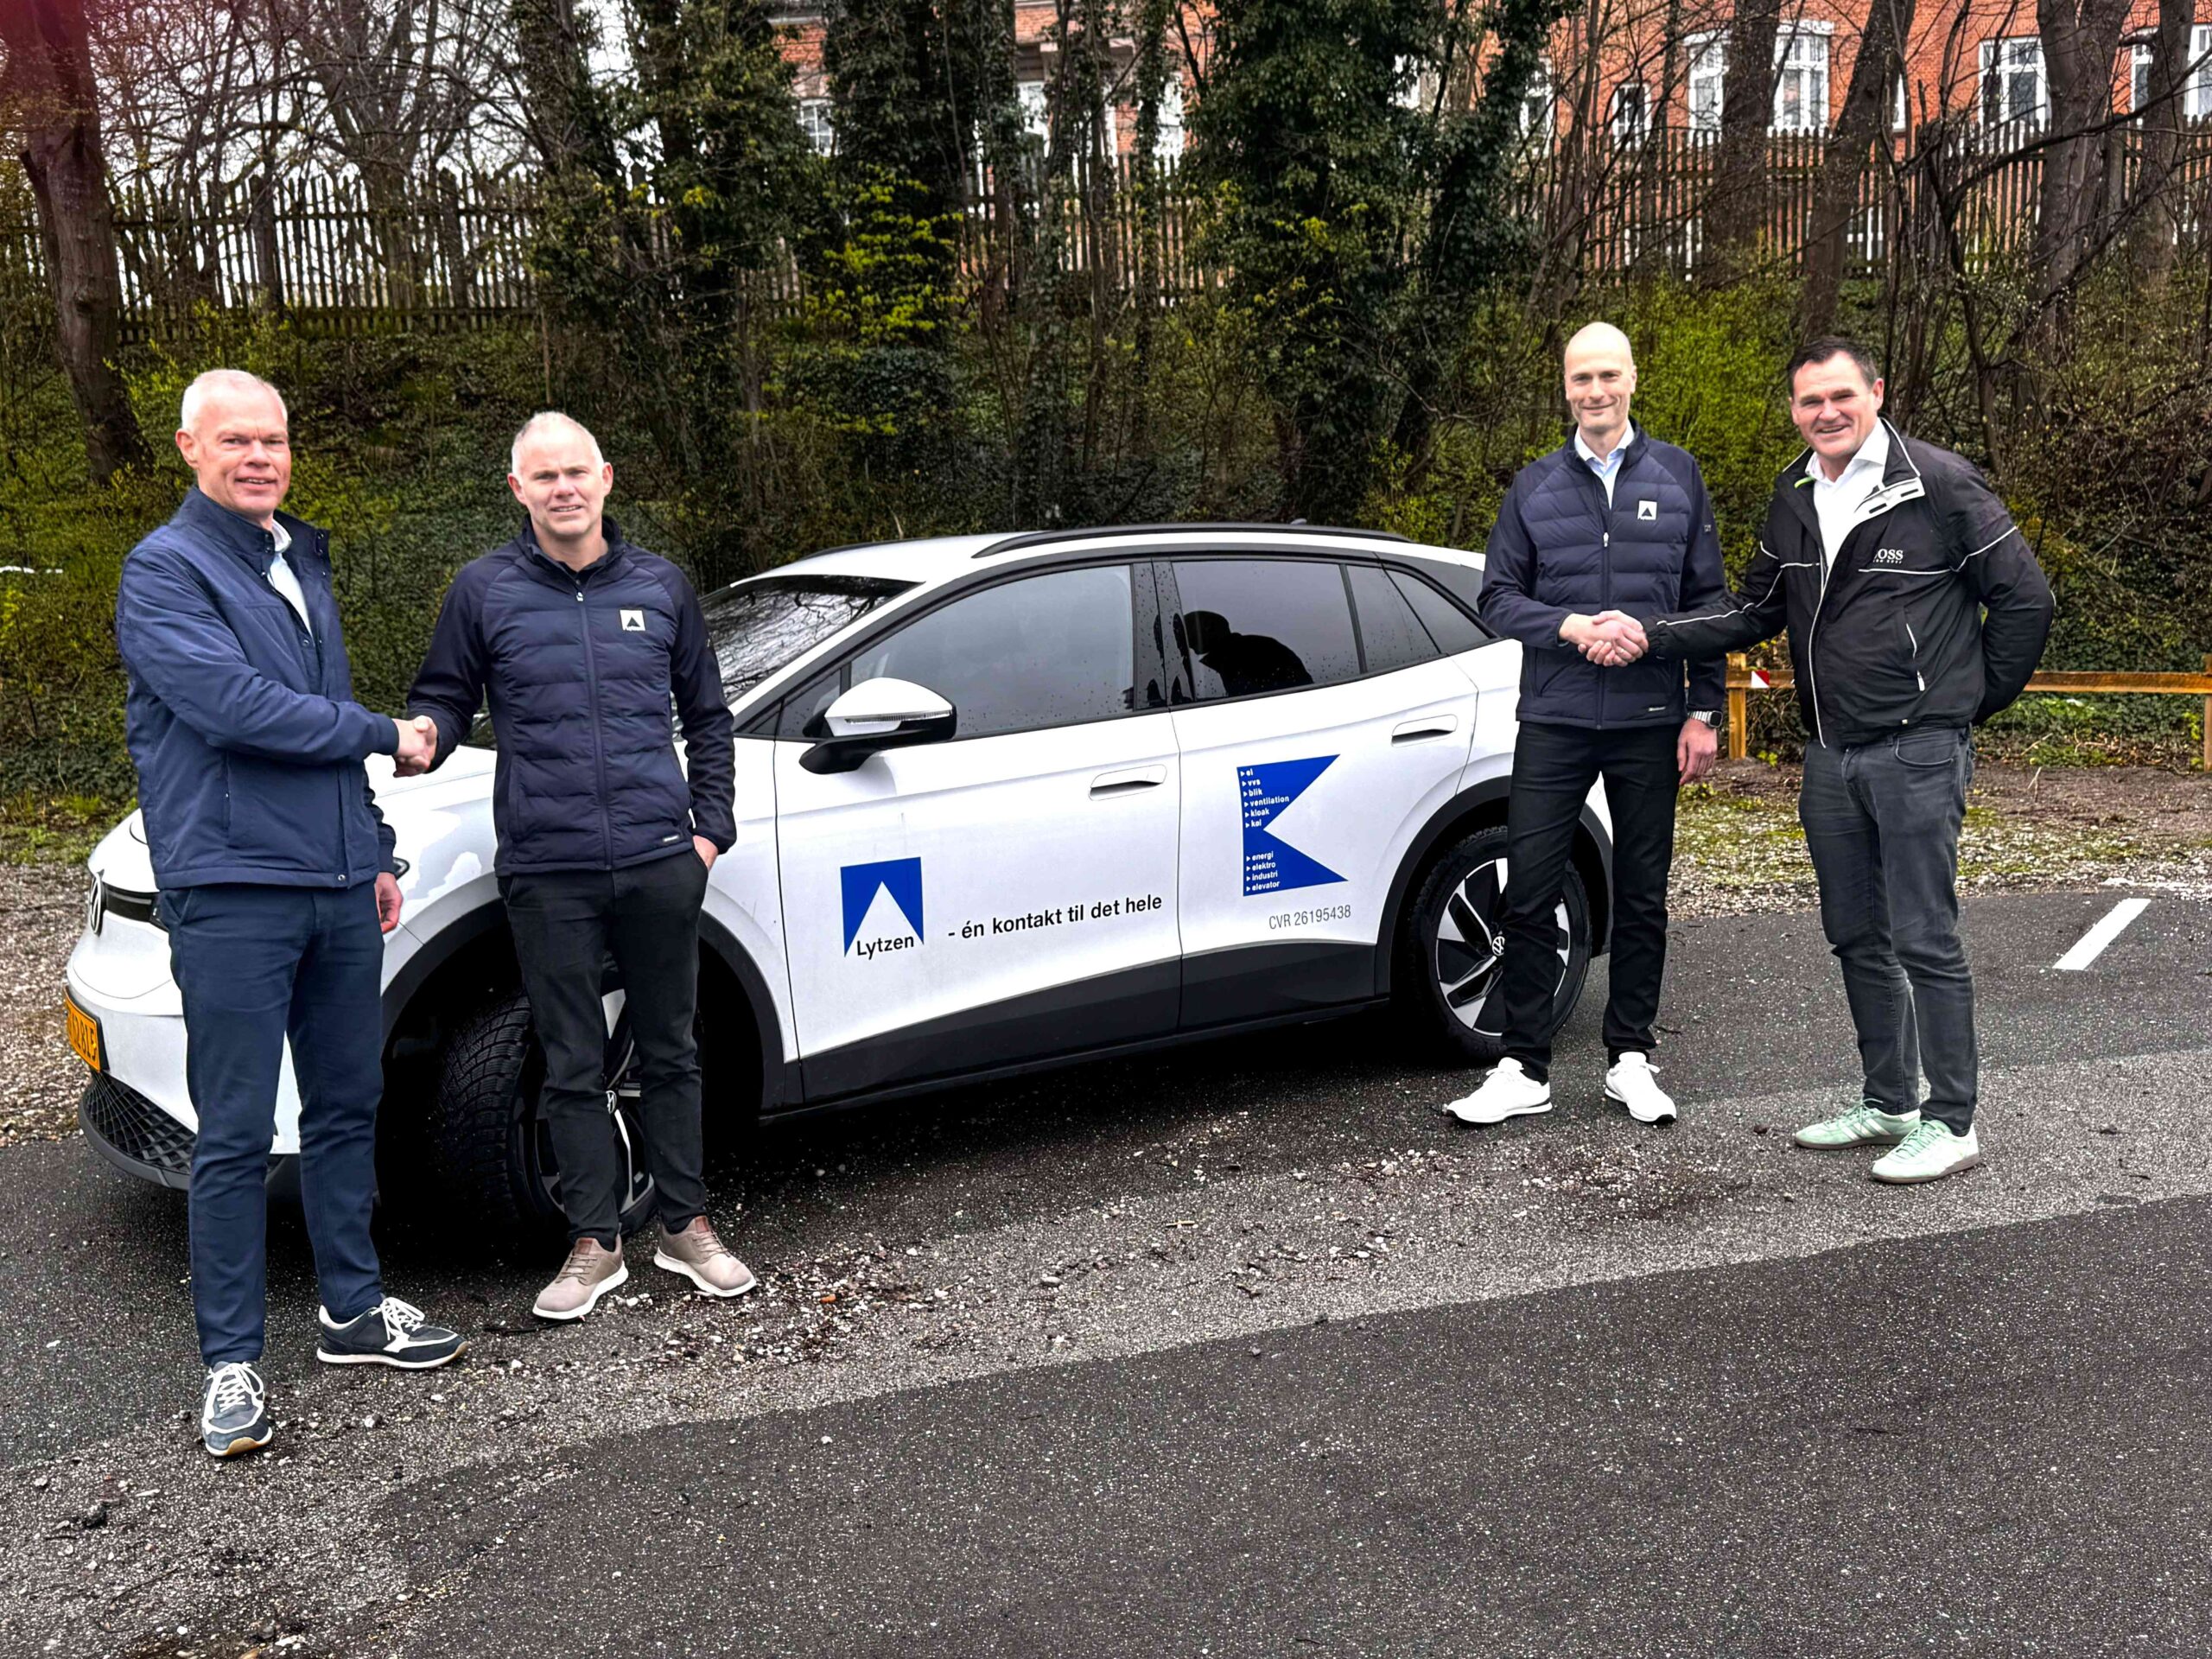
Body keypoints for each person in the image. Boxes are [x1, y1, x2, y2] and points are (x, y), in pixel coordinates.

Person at [1601, 336, 2054, 1184]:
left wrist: (1964, 702)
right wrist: (1650, 632)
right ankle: (1890, 1102)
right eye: (1810, 400)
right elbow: (1753, 611)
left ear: (1875, 394)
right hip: (1831, 754)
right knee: (1855, 935)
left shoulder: (1938, 484)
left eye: (1842, 395)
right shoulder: (1796, 492)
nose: (1827, 412)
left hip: (1918, 749)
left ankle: (1952, 1121)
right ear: (1794, 411)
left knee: (1924, 937)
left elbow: (2026, 600)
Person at [116, 369, 464, 1460]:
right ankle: (231, 1362)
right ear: (190, 449)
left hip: (335, 886)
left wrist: (372, 848)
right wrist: (384, 733)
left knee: (346, 1107)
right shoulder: (165, 569)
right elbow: (237, 710)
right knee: (232, 1130)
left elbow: (314, 726)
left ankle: (352, 1312)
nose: (259, 457)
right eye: (235, 441)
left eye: (272, 439)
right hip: (232, 890)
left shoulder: (295, 559)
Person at [407, 412, 744, 1319]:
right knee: (570, 1059)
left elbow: (709, 717)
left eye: (576, 472)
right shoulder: (483, 590)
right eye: (544, 475)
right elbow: (442, 699)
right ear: (517, 489)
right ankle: (596, 1241)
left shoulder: (660, 586)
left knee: (671, 1048)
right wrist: (417, 738)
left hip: (658, 859)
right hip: (547, 867)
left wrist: (709, 831)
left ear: (605, 478)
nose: (563, 488)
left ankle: (685, 1226)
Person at [1444, 322, 1727, 1128]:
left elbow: (1709, 604)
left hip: (1649, 718)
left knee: (1641, 894)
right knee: (1530, 889)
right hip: (1557, 718)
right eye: (1580, 378)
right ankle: (1523, 1067)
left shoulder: (1678, 475)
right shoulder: (1533, 486)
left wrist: (1703, 710)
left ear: (1632, 379)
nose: (1594, 391)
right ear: (1564, 387)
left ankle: (1630, 1058)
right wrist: (1572, 627)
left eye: (1608, 375)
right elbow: (1497, 598)